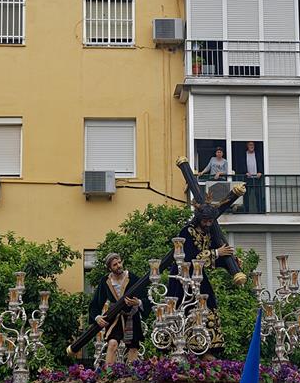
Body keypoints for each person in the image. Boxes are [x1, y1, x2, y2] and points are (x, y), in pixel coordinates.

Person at [168, 203, 245, 356]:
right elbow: (190, 257)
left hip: (199, 276)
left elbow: (214, 259)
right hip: (183, 278)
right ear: (199, 219)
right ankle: (184, 347)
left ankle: (207, 347)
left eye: (210, 221)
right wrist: (216, 252)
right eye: (205, 221)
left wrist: (231, 262)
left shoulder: (209, 233)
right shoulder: (187, 232)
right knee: (185, 309)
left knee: (208, 306)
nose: (208, 224)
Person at [89, 253, 150, 365]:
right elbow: (96, 302)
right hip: (115, 316)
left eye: (119, 262)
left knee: (133, 347)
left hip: (132, 314)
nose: (118, 265)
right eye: (115, 265)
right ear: (110, 268)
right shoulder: (105, 281)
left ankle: (132, 376)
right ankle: (108, 375)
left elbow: (146, 298)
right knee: (112, 343)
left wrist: (138, 302)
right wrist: (97, 317)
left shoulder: (133, 278)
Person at [233, 141, 263, 213]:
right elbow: (241, 165)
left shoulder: (257, 154)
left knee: (258, 194)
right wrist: (245, 172)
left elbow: (261, 163)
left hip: (256, 178)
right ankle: (246, 210)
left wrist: (260, 172)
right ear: (247, 146)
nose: (251, 146)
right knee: (246, 195)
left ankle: (260, 210)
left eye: (252, 145)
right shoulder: (244, 155)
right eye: (250, 145)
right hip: (247, 178)